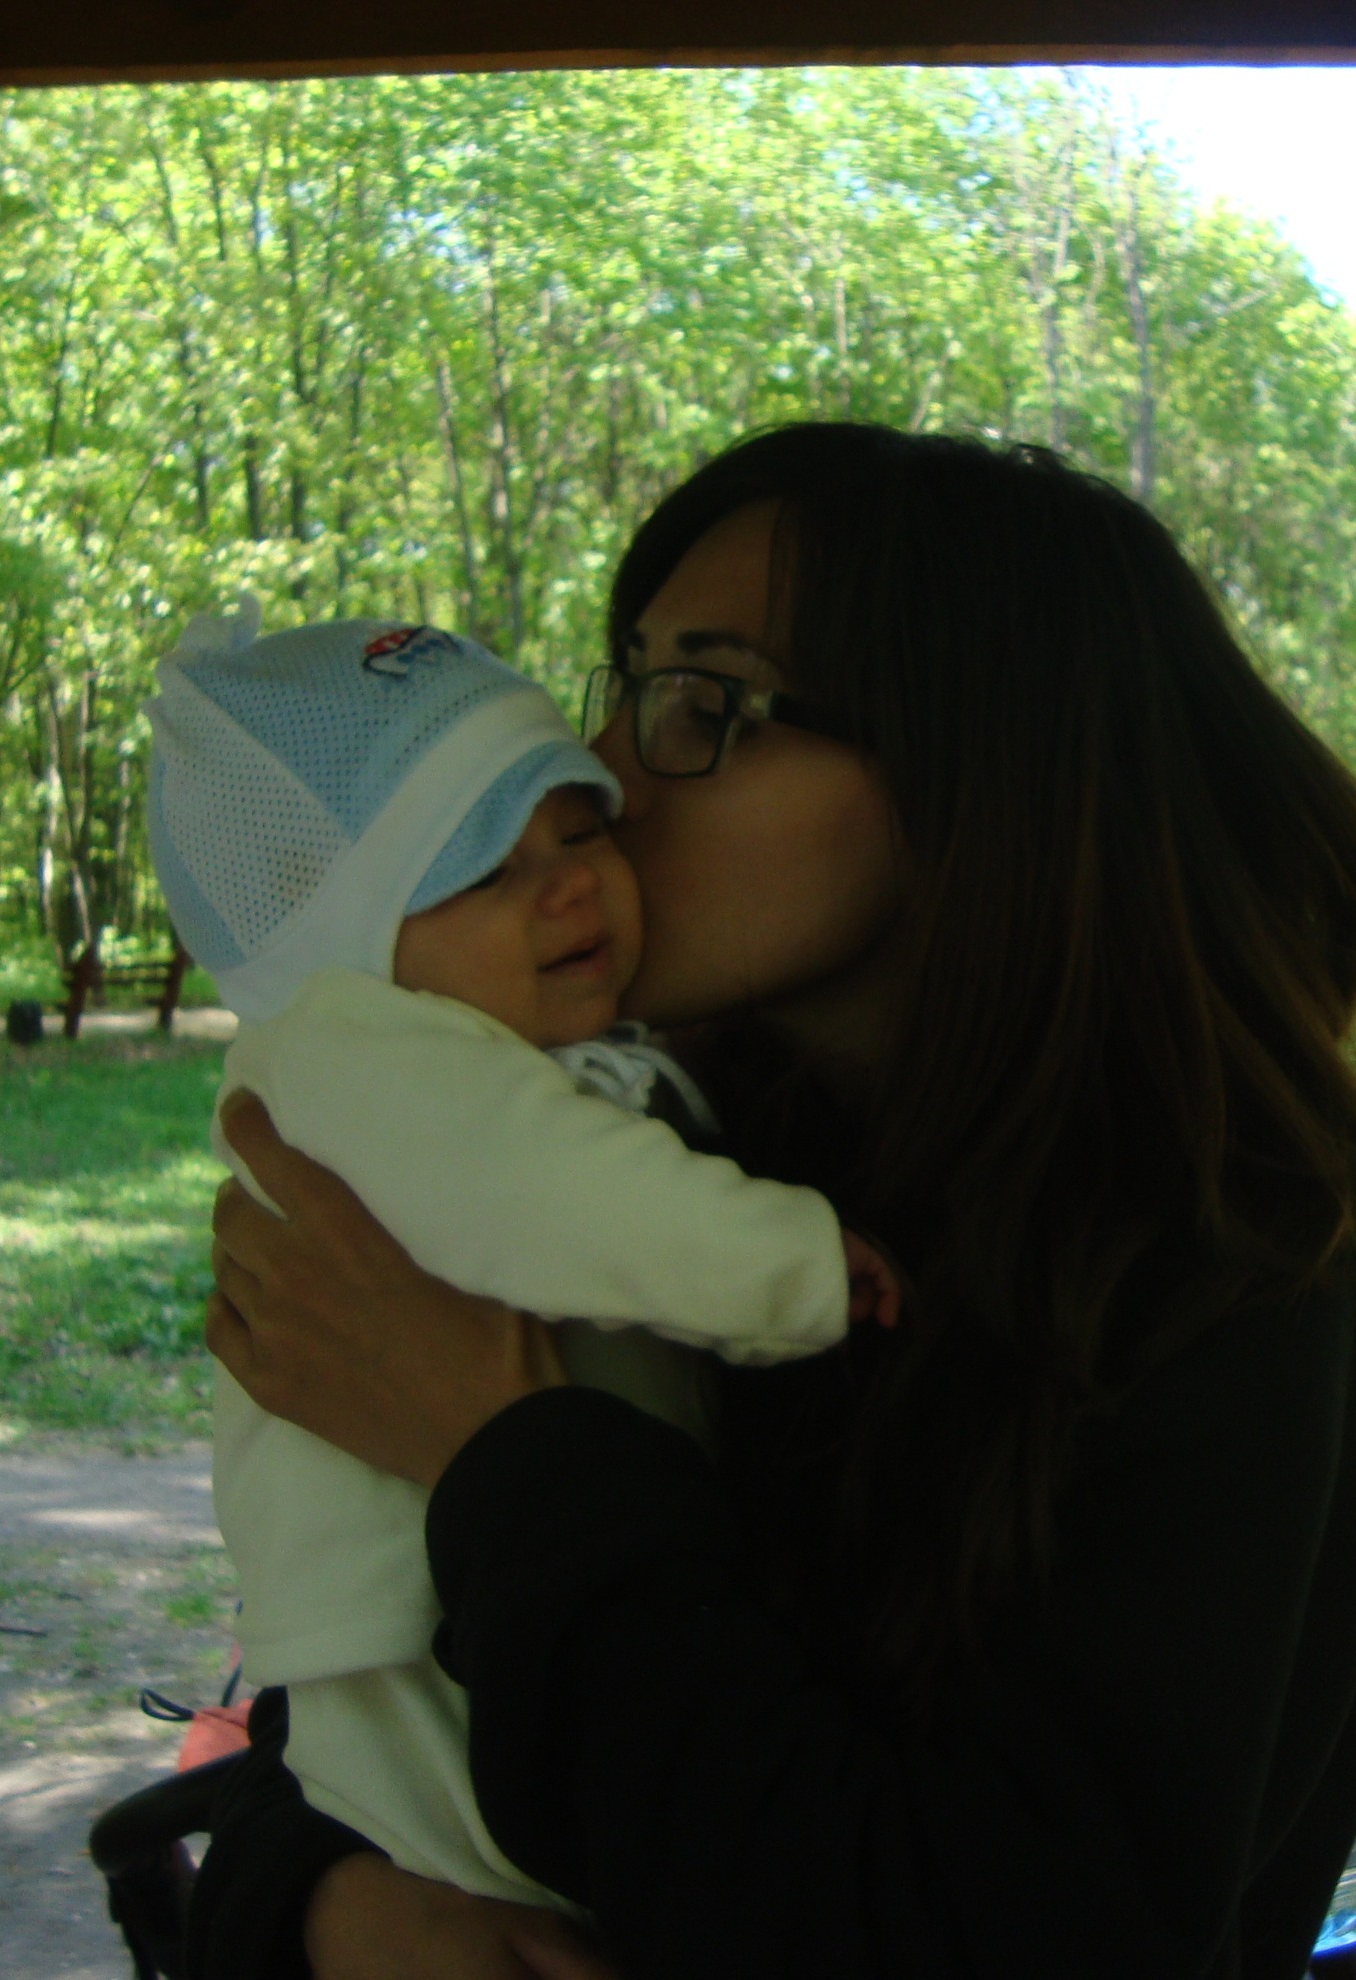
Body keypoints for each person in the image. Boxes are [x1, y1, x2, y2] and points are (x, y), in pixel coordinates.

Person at [192, 423, 1356, 1980]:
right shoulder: (690, 1149)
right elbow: (335, 1729)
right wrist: (333, 1911)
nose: (600, 775)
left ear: (982, 769)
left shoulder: (1249, 1257)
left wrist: (497, 1454)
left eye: (707, 705)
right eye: (626, 686)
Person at [145, 609, 895, 1914]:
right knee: (521, 1893)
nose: (568, 886)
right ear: (353, 935)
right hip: (416, 1621)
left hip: (486, 1591)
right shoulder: (364, 1055)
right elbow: (572, 1201)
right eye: (483, 868)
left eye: (580, 831)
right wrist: (797, 1264)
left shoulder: (501, 1057)